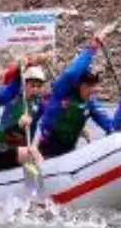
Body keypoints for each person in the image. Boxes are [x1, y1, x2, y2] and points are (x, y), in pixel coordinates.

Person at [34, 31, 115, 159]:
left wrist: (116, 134)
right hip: (48, 148)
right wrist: (92, 48)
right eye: (87, 86)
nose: (91, 90)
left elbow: (106, 122)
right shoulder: (62, 91)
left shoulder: (90, 103)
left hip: (69, 151)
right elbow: (72, 73)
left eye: (93, 86)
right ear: (78, 85)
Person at [0, 53, 50, 147]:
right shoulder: (13, 95)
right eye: (32, 85)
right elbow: (11, 80)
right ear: (24, 84)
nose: (35, 89)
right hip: (7, 140)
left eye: (39, 86)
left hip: (25, 143)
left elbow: (43, 119)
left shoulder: (39, 102)